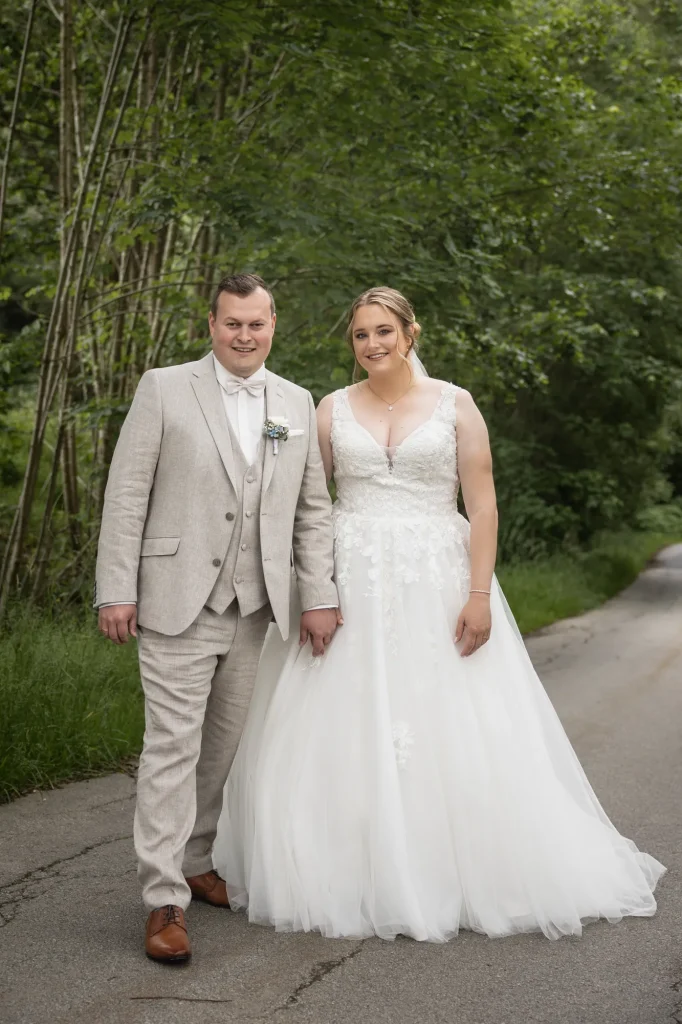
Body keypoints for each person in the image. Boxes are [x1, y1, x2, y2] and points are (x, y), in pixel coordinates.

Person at [215, 285, 665, 942]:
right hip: (353, 579)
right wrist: (316, 591)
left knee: (453, 718)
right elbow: (309, 507)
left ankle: (459, 864)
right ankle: (345, 864)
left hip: (438, 578)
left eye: (383, 332)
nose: (372, 344)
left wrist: (479, 596)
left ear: (411, 334)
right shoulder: (330, 410)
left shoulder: (457, 406)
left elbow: (482, 507)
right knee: (338, 722)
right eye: (361, 335)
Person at [95, 274, 339, 963]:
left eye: (256, 324)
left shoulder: (293, 400)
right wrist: (116, 587)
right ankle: (162, 897)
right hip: (176, 596)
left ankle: (198, 859)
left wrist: (317, 595)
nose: (244, 335)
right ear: (211, 324)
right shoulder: (164, 387)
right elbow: (126, 493)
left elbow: (312, 511)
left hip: (256, 605)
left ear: (272, 326)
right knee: (172, 746)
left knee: (222, 746)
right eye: (232, 323)